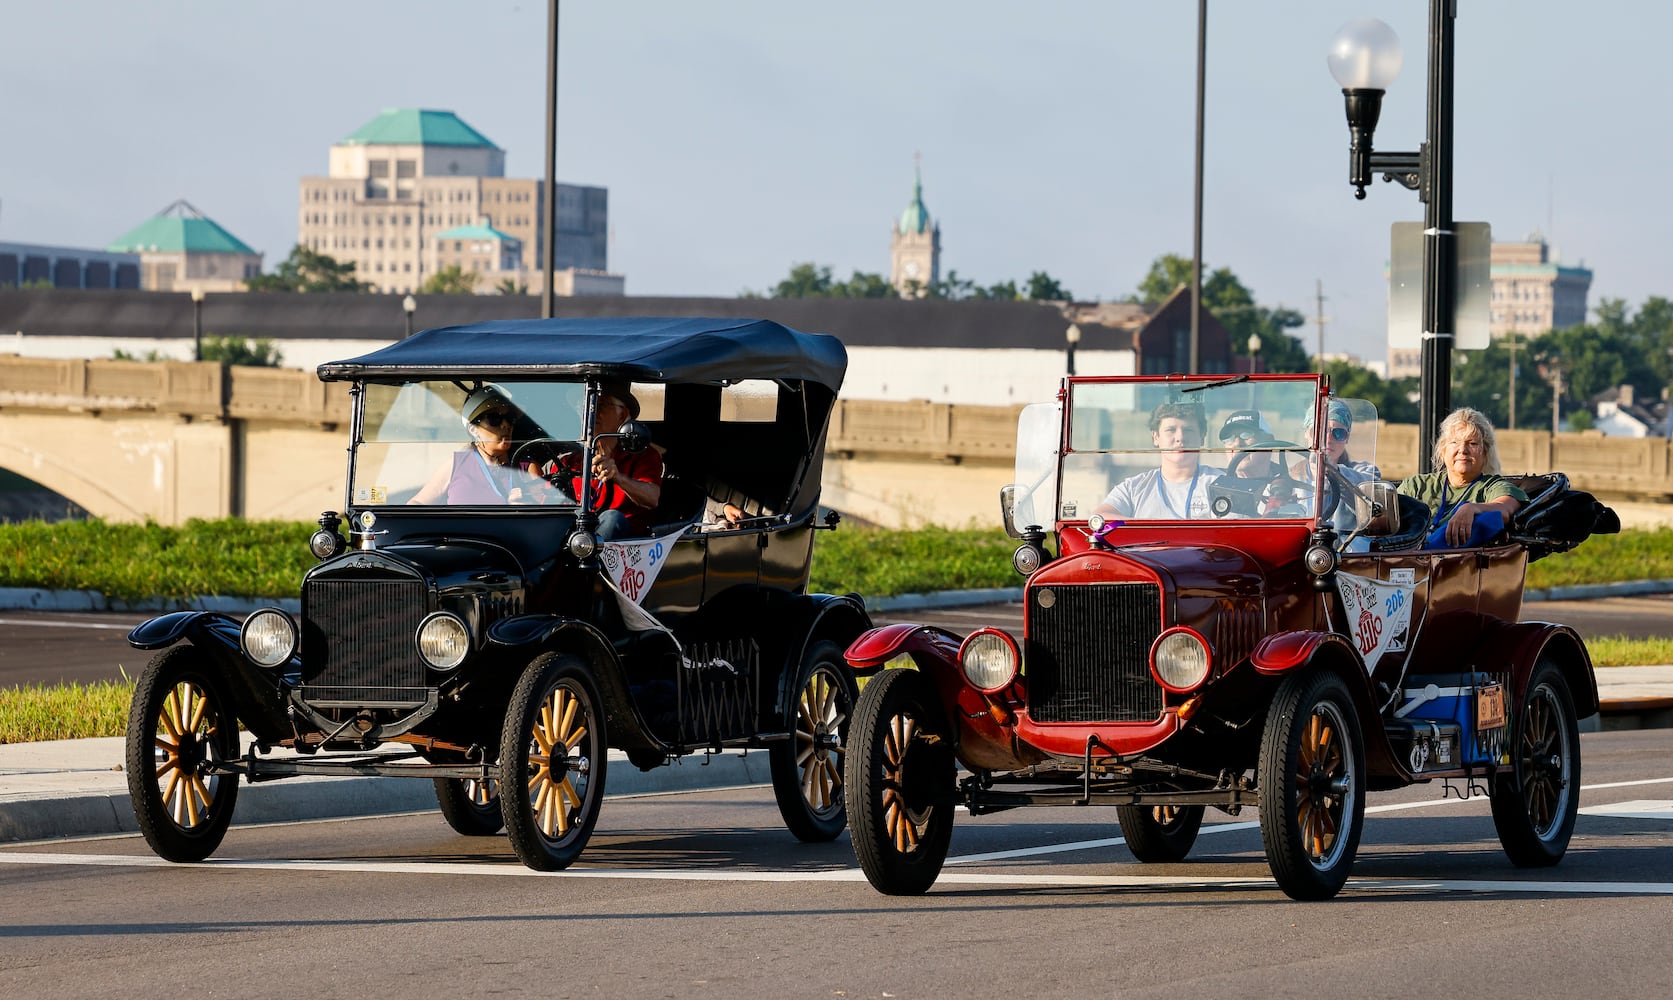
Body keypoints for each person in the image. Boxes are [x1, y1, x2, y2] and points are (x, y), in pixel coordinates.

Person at [1398, 407, 1527, 547]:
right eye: (1455, 442)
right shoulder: (1417, 485)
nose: (1463, 450)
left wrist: (1472, 508)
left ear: (1485, 452)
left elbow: (1505, 508)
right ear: (1443, 450)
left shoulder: (1492, 486)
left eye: (1472, 443)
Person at [552, 379, 663, 539]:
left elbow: (652, 498)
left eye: (601, 404)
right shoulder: (569, 461)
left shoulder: (643, 455)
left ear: (622, 415)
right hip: (573, 538)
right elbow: (546, 500)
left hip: (625, 549)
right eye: (585, 406)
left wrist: (618, 477)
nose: (591, 412)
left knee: (612, 518)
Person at [410, 384, 553, 506]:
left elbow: (547, 516)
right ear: (474, 430)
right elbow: (417, 503)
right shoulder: (458, 463)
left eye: (510, 418)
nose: (506, 425)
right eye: (494, 419)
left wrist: (525, 509)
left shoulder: (527, 468)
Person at [1096, 399, 1219, 519]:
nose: (1180, 438)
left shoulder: (1220, 483)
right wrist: (1146, 529)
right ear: (1155, 437)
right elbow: (1100, 518)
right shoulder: (1133, 488)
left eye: (1188, 430)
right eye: (1171, 430)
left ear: (1202, 436)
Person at [1219, 408, 1275, 479]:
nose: (1237, 444)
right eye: (1229, 438)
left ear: (1269, 442)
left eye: (1246, 434)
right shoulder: (1210, 484)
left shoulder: (1290, 485)